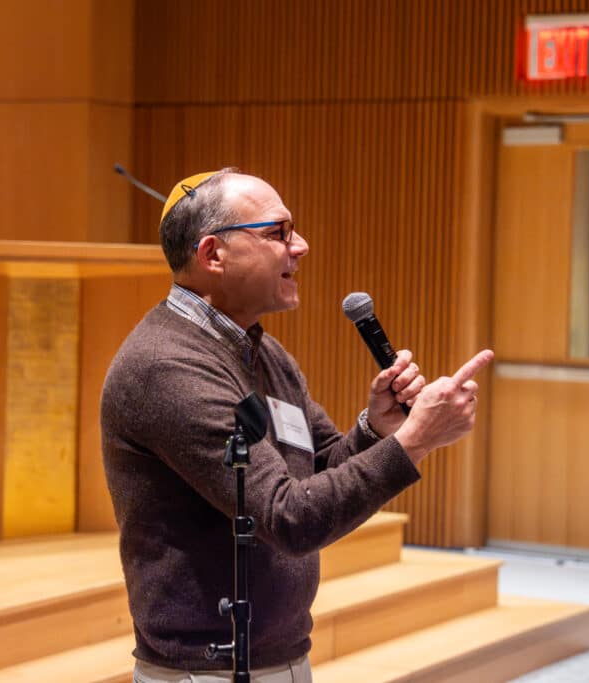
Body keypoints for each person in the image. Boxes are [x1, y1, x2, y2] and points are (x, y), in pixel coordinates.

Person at [101, 168, 493, 683]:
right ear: (212, 254)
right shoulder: (167, 367)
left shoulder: (261, 351)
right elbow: (290, 518)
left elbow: (316, 468)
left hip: (278, 655)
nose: (301, 246)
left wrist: (378, 431)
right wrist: (415, 440)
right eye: (277, 233)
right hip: (207, 669)